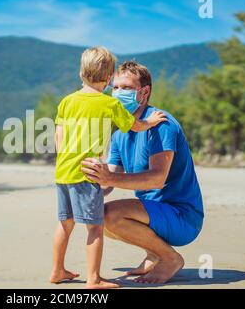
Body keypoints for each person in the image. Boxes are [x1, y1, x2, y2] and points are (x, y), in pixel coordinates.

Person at [50, 48, 166, 289]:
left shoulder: (67, 101)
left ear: (81, 72)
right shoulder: (109, 103)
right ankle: (93, 279)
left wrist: (66, 159)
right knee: (95, 227)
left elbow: (58, 136)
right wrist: (151, 122)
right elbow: (134, 126)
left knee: (65, 223)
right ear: (109, 76)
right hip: (87, 173)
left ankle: (57, 270)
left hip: (63, 172)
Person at [81, 60, 204, 284]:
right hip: (155, 214)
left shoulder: (161, 124)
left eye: (126, 88)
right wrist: (87, 181)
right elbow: (108, 183)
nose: (118, 93)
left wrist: (109, 177)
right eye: (115, 87)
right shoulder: (120, 133)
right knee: (96, 214)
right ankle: (155, 254)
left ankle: (169, 258)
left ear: (144, 92)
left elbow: (157, 180)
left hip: (183, 218)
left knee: (111, 215)